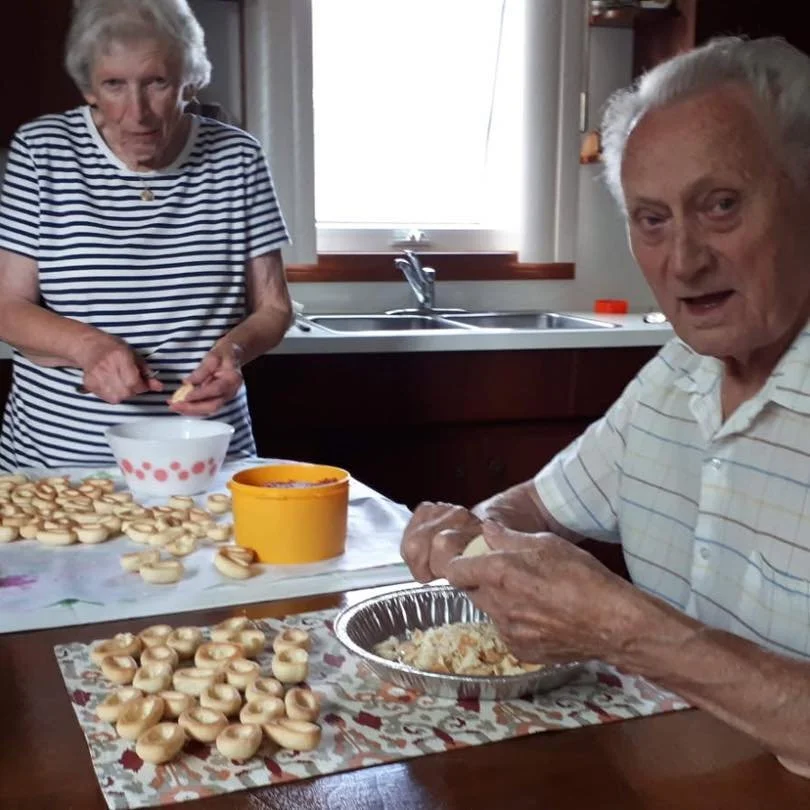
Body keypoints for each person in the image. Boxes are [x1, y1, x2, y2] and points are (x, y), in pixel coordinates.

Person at [401, 36, 810, 777]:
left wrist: (628, 632)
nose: (684, 261)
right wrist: (479, 532)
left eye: (721, 206)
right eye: (652, 220)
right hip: (663, 776)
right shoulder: (676, 371)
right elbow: (536, 505)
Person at [0, 0, 293, 469]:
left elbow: (275, 308)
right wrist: (89, 348)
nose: (136, 113)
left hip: (203, 456)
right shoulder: (41, 151)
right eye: (114, 84)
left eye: (156, 82)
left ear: (189, 82)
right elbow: (7, 307)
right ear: (89, 88)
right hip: (59, 464)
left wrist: (233, 352)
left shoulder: (237, 158)